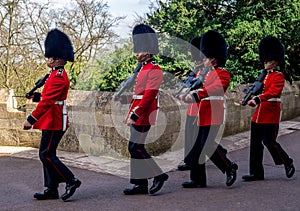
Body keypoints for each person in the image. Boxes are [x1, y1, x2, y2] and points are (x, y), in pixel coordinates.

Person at [23, 29, 81, 201]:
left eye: (51, 56)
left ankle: (71, 180)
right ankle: (51, 189)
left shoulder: (58, 77)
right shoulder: (53, 75)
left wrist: (31, 119)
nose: (48, 59)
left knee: (46, 154)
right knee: (46, 154)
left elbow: (48, 103)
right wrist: (36, 96)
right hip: (51, 119)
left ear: (59, 58)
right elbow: (49, 97)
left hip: (55, 120)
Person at [114, 23, 168, 195]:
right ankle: (140, 184)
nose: (137, 53)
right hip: (138, 111)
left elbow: (148, 97)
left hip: (144, 114)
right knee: (135, 147)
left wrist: (135, 115)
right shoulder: (142, 69)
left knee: (135, 147)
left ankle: (158, 175)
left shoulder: (155, 69)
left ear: (149, 50)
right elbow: (138, 95)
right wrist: (123, 98)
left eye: (140, 50)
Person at [180, 30, 238, 188]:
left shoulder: (223, 74)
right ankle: (198, 179)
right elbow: (196, 89)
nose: (202, 59)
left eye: (205, 57)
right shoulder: (202, 74)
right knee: (197, 147)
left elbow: (214, 89)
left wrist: (196, 94)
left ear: (213, 58)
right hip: (200, 114)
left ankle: (229, 166)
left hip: (213, 114)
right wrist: (186, 96)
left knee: (207, 144)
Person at [241, 36, 295, 181]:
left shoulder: (278, 76)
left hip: (271, 112)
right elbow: (259, 90)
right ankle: (256, 172)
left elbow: (272, 93)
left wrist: (257, 98)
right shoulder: (263, 76)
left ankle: (287, 161)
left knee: (269, 141)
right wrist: (248, 97)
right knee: (255, 144)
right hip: (260, 113)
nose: (265, 63)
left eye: (269, 61)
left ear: (275, 62)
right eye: (265, 60)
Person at [177, 36, 202, 171]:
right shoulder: (196, 71)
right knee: (189, 135)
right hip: (192, 108)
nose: (196, 61)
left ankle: (220, 152)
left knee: (199, 138)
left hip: (200, 108)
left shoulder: (206, 72)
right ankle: (189, 160)